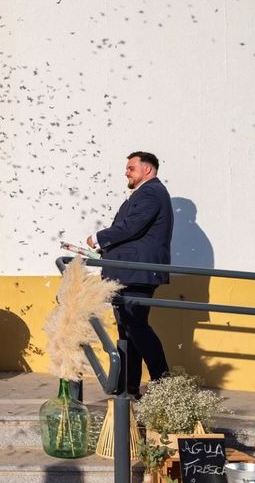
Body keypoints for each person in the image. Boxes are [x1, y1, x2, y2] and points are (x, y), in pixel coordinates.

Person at [87, 151, 172, 398]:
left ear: (148, 169)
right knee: (127, 328)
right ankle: (129, 385)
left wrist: (99, 238)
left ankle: (163, 381)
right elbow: (135, 234)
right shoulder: (144, 194)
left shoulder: (151, 192)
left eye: (131, 167)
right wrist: (107, 248)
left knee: (136, 326)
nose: (126, 171)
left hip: (137, 274)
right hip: (130, 271)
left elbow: (131, 226)